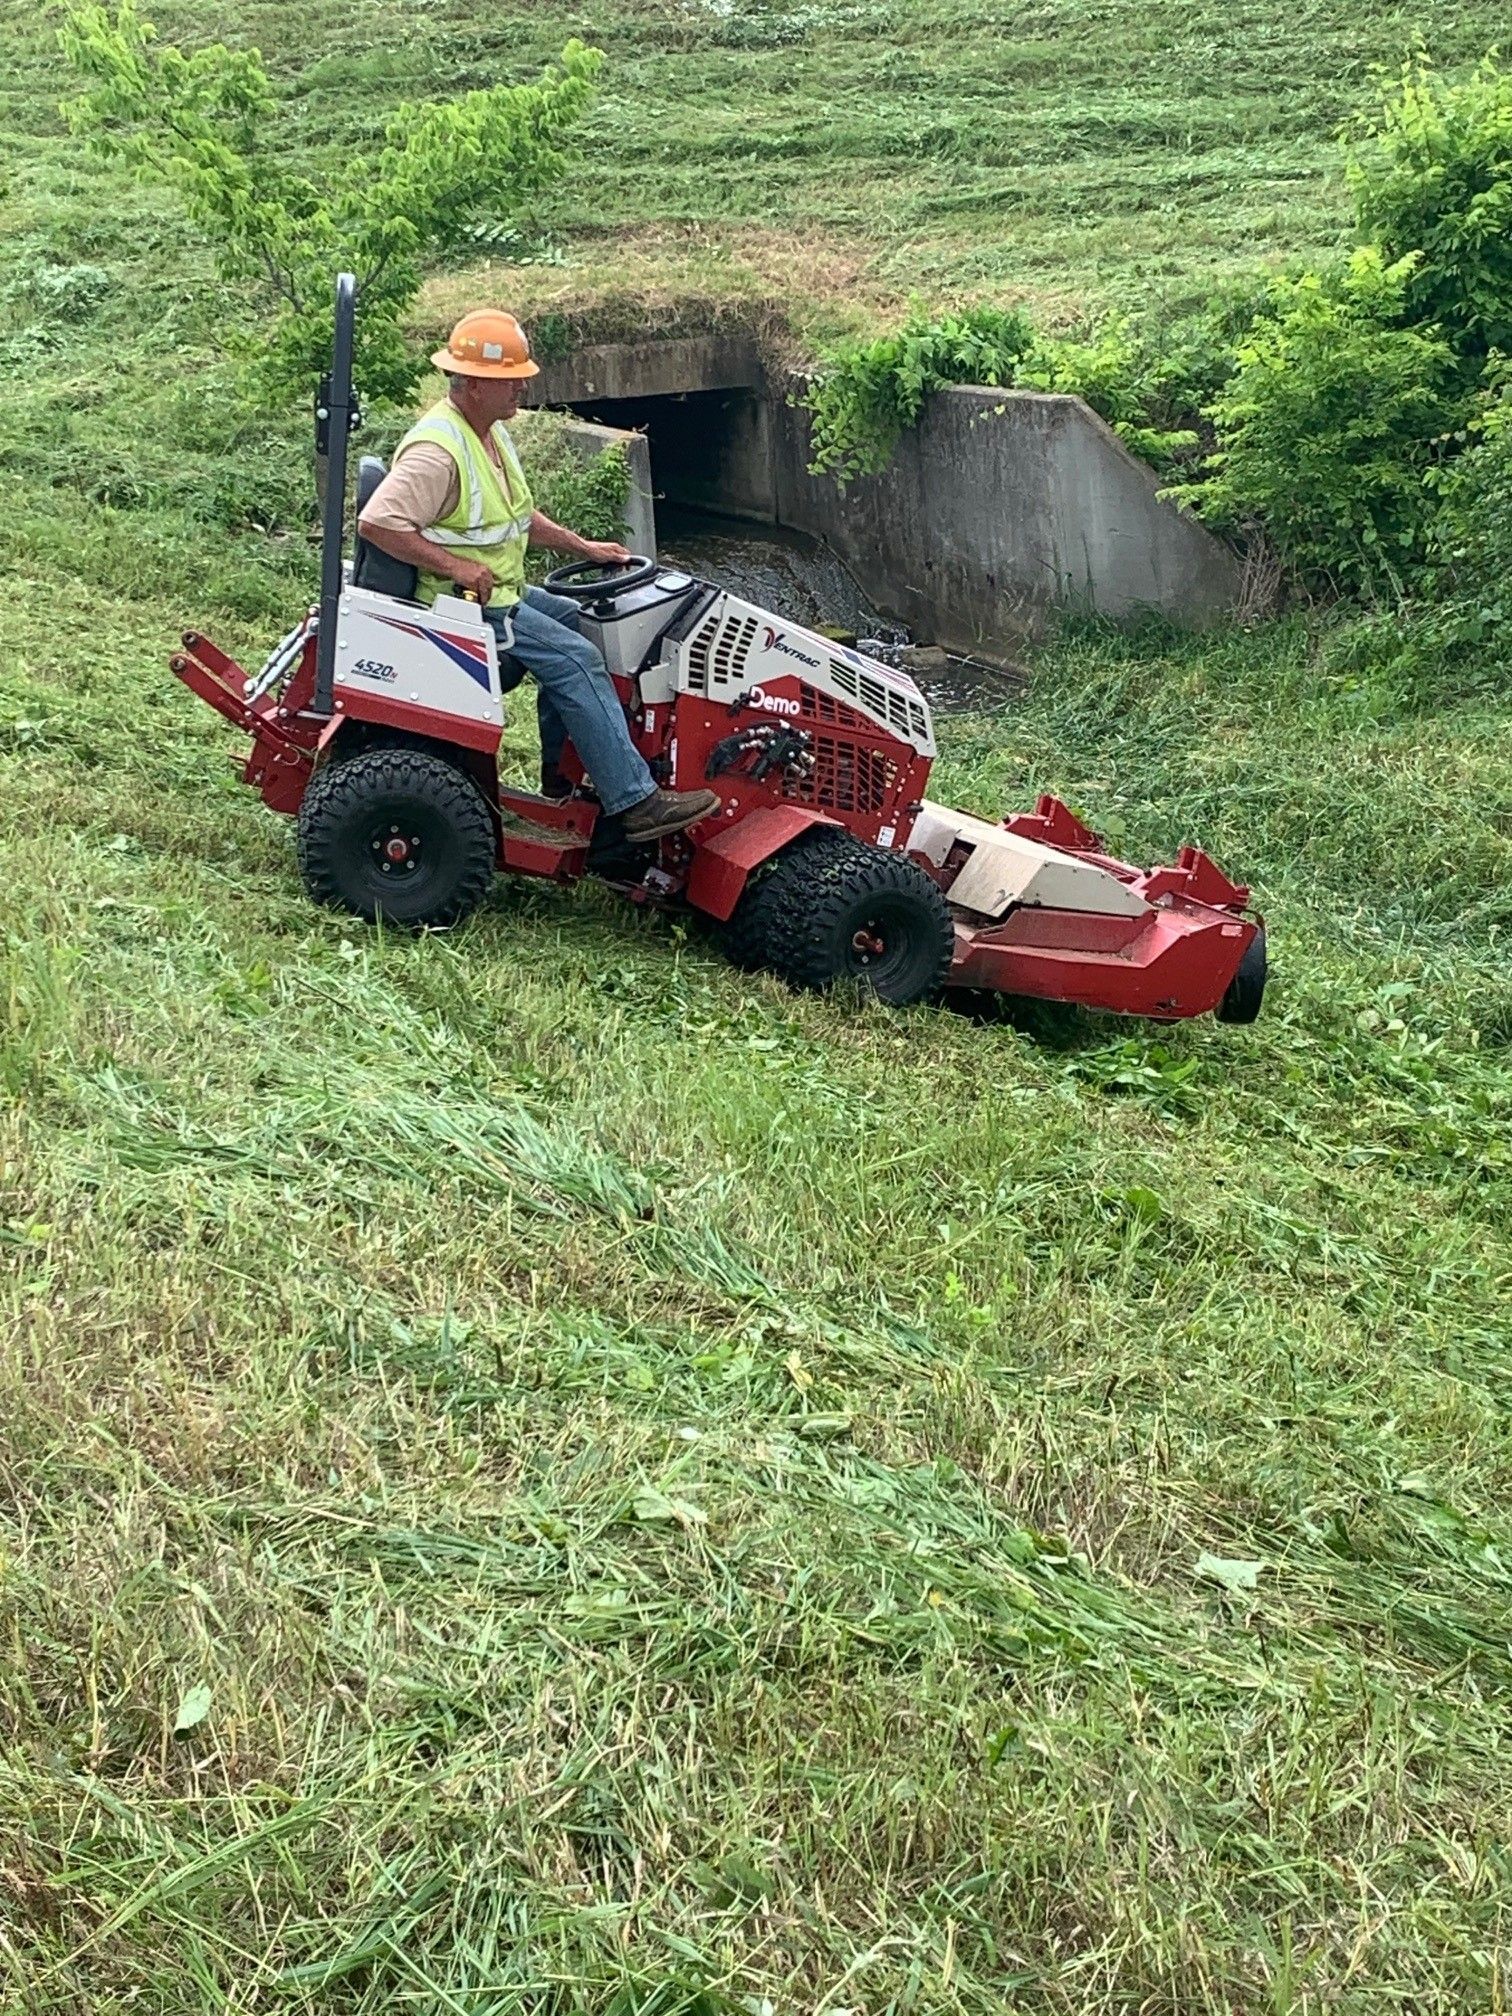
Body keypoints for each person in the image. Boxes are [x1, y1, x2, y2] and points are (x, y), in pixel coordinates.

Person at [358, 309, 718, 841]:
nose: (524, 385)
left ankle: (563, 773)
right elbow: (377, 522)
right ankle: (636, 801)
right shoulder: (438, 451)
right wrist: (456, 565)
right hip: (461, 602)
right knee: (579, 659)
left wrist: (583, 546)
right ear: (474, 383)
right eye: (512, 379)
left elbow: (517, 515)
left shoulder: (487, 432)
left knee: (582, 624)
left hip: (500, 592)